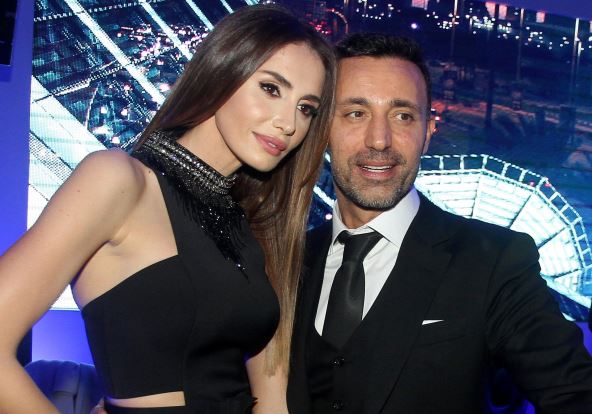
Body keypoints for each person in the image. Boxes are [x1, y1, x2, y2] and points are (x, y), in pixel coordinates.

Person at [0, 5, 335, 413]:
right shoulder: (119, 180)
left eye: (306, 108)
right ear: (222, 71)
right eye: (271, 88)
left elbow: (271, 387)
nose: (289, 123)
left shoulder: (249, 221)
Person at [287, 33, 592, 413]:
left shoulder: (494, 262)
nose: (379, 140)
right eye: (355, 113)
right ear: (321, 130)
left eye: (402, 116)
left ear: (428, 134)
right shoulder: (291, 260)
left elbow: (575, 392)